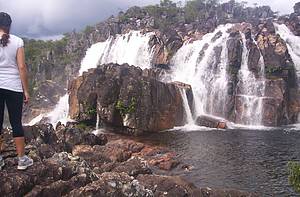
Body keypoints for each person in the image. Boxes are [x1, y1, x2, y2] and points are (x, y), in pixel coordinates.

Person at [0, 12, 33, 170]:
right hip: (14, 87)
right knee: (16, 123)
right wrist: (26, 90)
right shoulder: (18, 41)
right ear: (9, 25)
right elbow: (21, 67)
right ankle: (22, 160)